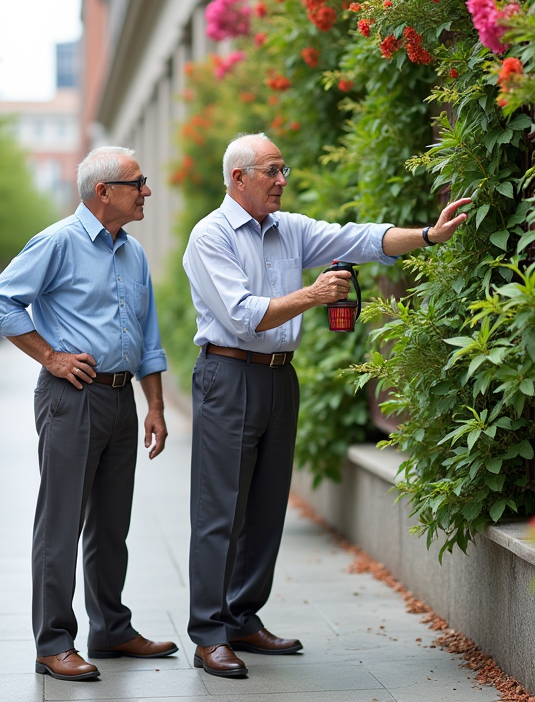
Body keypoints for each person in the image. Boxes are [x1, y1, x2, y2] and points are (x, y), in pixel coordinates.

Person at [182, 132, 471, 678]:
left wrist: (430, 234)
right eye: (271, 170)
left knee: (267, 507)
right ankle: (209, 633)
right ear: (238, 178)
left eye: (283, 168)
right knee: (221, 508)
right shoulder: (210, 236)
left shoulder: (288, 229)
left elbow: (357, 238)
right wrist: (314, 295)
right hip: (228, 375)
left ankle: (243, 616)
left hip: (277, 377)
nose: (282, 179)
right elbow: (244, 315)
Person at [0, 146, 177, 682]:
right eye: (139, 182)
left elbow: (148, 334)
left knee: (112, 523)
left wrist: (154, 403)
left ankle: (112, 628)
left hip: (120, 397)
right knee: (61, 521)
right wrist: (51, 356)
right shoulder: (57, 242)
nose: (147, 191)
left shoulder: (132, 253)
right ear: (103, 192)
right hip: (72, 397)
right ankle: (53, 643)